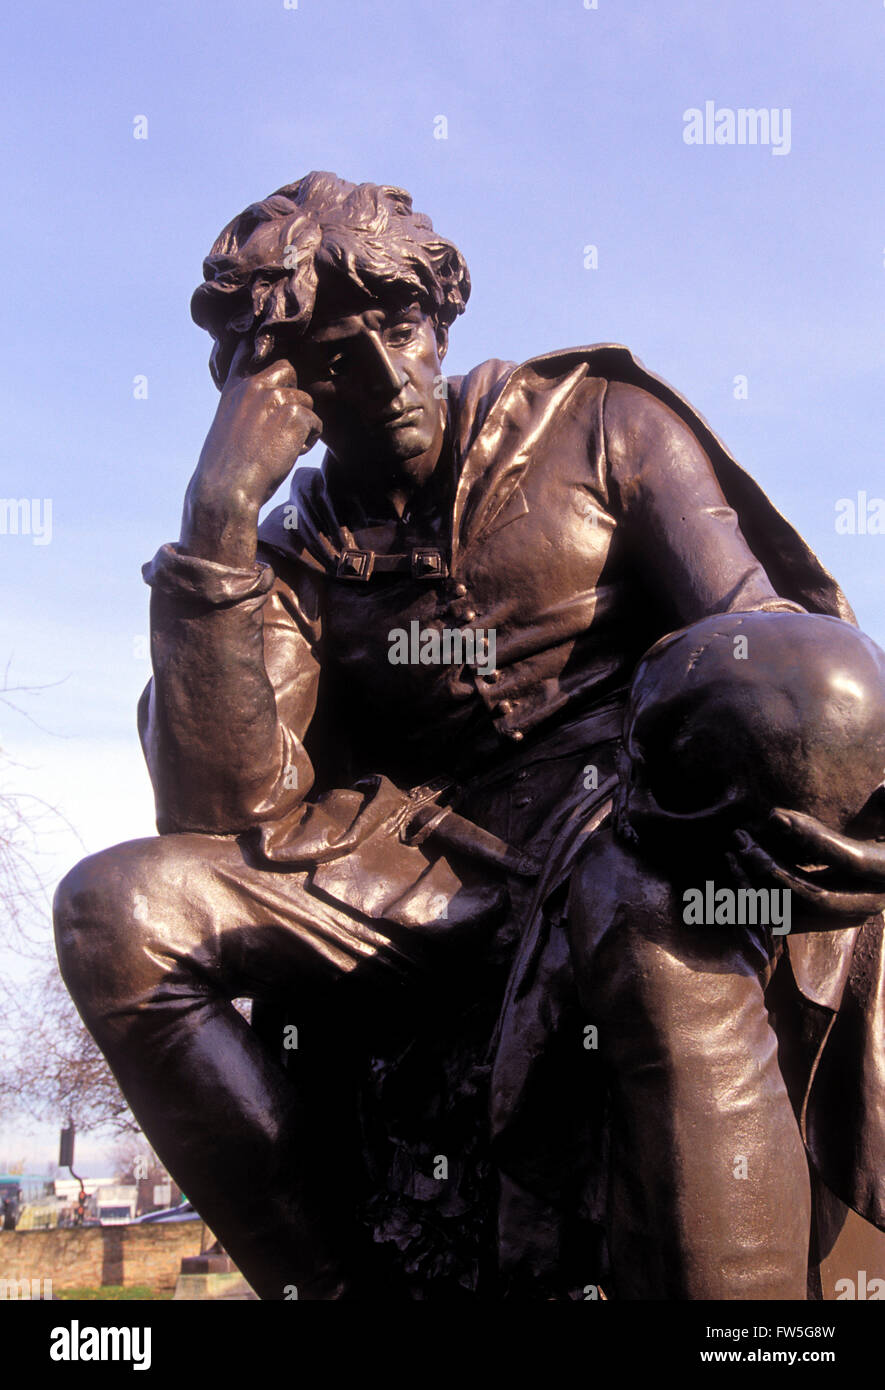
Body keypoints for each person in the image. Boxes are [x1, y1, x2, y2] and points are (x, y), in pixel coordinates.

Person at [54, 172, 885, 1299]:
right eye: (342, 356)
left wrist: (783, 763)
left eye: (403, 328)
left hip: (625, 813)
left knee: (650, 900)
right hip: (417, 873)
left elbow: (748, 628)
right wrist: (218, 517)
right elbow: (219, 816)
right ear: (282, 389)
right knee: (117, 914)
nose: (393, 376)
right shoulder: (294, 553)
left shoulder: (597, 424)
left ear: (440, 316)